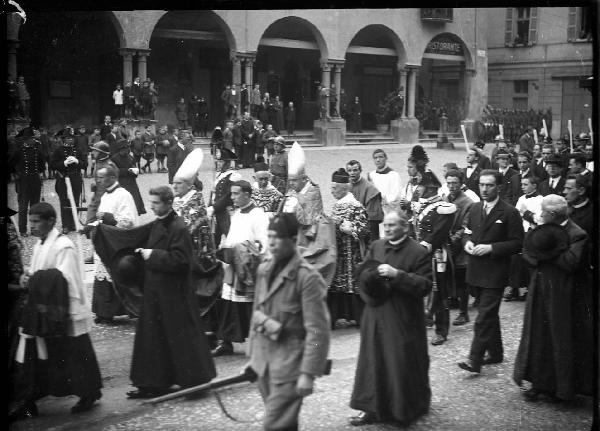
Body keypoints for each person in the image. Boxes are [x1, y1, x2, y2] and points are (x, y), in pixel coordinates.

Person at [106, 186, 216, 399]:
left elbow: (182, 260)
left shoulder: (179, 227)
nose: (151, 206)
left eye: (155, 203)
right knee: (153, 339)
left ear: (167, 203)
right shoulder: (158, 223)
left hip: (174, 295)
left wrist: (152, 254)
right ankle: (153, 383)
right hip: (156, 291)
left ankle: (193, 383)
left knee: (180, 339)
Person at [10, 202, 102, 420]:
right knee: (34, 352)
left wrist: (35, 280)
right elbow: (40, 271)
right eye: (30, 221)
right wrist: (28, 275)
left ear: (50, 221)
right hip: (43, 308)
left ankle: (88, 392)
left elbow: (65, 279)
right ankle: (29, 399)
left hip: (64, 311)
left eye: (35, 221)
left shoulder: (64, 246)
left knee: (75, 353)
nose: (31, 226)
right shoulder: (41, 244)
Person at [248, 213, 331, 431]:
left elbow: (317, 332)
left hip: (290, 365)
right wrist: (252, 357)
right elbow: (256, 313)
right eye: (269, 236)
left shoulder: (307, 278)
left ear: (293, 240)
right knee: (285, 425)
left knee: (273, 425)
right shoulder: (264, 270)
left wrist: (308, 373)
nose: (271, 242)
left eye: (277, 237)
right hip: (264, 363)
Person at [349, 210, 432, 427]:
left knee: (400, 362)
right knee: (372, 360)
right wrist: (368, 276)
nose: (387, 229)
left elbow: (425, 285)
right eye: (385, 225)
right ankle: (371, 408)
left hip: (403, 317)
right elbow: (363, 270)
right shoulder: (376, 245)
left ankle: (403, 410)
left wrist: (398, 275)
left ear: (405, 227)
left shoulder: (418, 252)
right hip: (375, 314)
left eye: (392, 225)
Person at [513, 195, 589, 402]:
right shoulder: (543, 228)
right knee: (538, 335)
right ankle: (539, 383)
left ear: (553, 215)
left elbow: (571, 262)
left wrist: (548, 248)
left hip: (564, 295)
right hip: (540, 288)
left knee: (560, 338)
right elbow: (528, 252)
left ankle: (562, 389)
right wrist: (538, 250)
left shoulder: (577, 233)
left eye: (543, 212)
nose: (540, 215)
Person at [458, 170, 524, 373]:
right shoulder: (476, 207)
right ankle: (495, 353)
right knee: (489, 314)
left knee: (484, 315)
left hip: (496, 272)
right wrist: (467, 243)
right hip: (476, 270)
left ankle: (474, 359)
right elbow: (466, 232)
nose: (484, 189)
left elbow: (517, 243)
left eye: (490, 185)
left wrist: (492, 248)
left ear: (499, 187)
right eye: (482, 185)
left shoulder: (509, 212)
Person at [212, 180, 269, 356]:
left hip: (248, 268)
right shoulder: (236, 214)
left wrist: (244, 252)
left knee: (248, 307)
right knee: (228, 303)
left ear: (247, 194)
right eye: (231, 194)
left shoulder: (258, 215)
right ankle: (226, 341)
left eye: (236, 194)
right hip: (233, 267)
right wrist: (226, 248)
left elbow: (264, 244)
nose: (232, 197)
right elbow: (232, 237)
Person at [87, 166, 139, 324]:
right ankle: (104, 311)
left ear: (112, 178)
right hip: (106, 242)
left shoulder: (124, 195)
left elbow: (128, 220)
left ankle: (117, 310)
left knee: (116, 275)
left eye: (101, 177)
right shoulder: (104, 195)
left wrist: (109, 218)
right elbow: (101, 218)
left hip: (118, 243)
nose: (98, 180)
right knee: (102, 275)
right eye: (98, 177)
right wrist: (91, 225)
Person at [328, 168, 370, 328]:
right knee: (338, 283)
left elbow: (365, 229)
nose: (332, 192)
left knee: (354, 284)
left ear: (344, 188)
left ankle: (359, 316)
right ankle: (339, 315)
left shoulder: (356, 206)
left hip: (352, 254)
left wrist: (351, 229)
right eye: (331, 188)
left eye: (334, 188)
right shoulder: (337, 205)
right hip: (339, 254)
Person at [444, 169, 476, 326]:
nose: (451, 186)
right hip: (447, 243)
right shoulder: (445, 199)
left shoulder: (468, 203)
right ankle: (451, 302)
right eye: (448, 183)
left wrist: (452, 240)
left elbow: (465, 227)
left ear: (461, 184)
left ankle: (464, 313)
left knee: (462, 279)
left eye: (454, 183)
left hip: (461, 244)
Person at [282, 142, 324, 247]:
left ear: (304, 178)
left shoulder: (312, 193)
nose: (291, 184)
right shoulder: (292, 191)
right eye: (290, 180)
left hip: (305, 239)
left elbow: (311, 220)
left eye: (294, 180)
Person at [50, 130, 87, 234]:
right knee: (64, 202)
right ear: (63, 139)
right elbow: (52, 165)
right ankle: (65, 225)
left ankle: (74, 223)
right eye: (68, 138)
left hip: (75, 178)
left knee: (75, 201)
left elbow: (85, 164)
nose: (71, 139)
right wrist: (64, 163)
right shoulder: (58, 150)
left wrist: (77, 161)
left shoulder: (78, 150)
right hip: (63, 179)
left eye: (72, 137)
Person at [10, 127, 45, 236]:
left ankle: (35, 229)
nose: (33, 140)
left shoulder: (37, 150)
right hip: (23, 181)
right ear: (25, 140)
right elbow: (10, 164)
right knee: (23, 206)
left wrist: (40, 173)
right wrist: (15, 174)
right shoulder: (19, 151)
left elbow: (41, 164)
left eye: (33, 138)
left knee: (35, 206)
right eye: (31, 138)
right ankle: (23, 230)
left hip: (35, 180)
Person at [207, 148, 242, 247]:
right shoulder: (219, 175)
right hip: (216, 212)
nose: (218, 163)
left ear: (227, 163)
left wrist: (214, 207)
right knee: (213, 240)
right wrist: (210, 206)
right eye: (217, 161)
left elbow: (228, 196)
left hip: (226, 213)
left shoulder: (234, 176)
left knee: (232, 239)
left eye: (221, 161)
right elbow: (213, 194)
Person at [347, 159, 383, 242]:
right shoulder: (346, 186)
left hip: (367, 230)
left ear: (360, 171)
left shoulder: (370, 189)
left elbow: (374, 217)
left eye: (355, 170)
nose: (352, 173)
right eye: (349, 170)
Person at [110, 139, 146, 215]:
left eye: (128, 148)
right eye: (126, 148)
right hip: (121, 184)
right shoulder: (114, 158)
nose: (128, 150)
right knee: (123, 205)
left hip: (132, 183)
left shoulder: (130, 157)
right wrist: (128, 170)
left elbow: (134, 168)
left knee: (134, 203)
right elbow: (114, 172)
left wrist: (135, 171)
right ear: (121, 149)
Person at [367, 149, 402, 215]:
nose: (378, 160)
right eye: (375, 158)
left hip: (389, 211)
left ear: (386, 158)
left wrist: (380, 198)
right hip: (375, 212)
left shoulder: (394, 175)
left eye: (380, 157)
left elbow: (396, 195)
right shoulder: (372, 175)